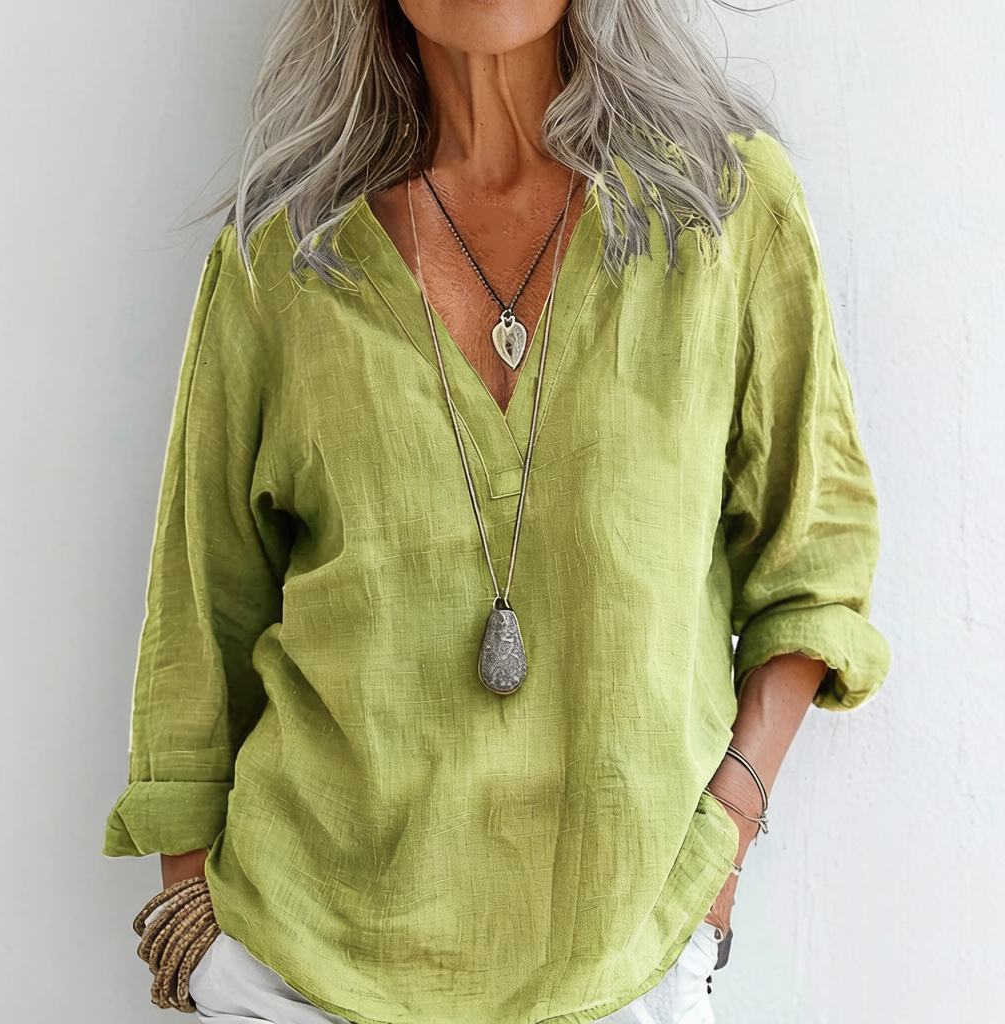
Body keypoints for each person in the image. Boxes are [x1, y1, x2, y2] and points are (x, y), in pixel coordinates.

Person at [104, 2, 891, 1022]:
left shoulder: (720, 213)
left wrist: (721, 846)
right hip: (304, 964)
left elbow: (813, 561)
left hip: (629, 960)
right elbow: (199, 611)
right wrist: (197, 934)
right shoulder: (285, 259)